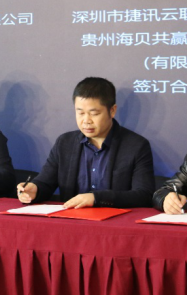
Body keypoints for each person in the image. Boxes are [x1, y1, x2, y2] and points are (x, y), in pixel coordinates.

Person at [17, 77, 155, 209]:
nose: (86, 121)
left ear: (112, 111)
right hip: (71, 219)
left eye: (94, 114)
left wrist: (96, 198)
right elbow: (45, 182)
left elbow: (143, 195)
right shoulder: (65, 143)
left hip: (115, 221)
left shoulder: (136, 146)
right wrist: (34, 189)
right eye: (80, 113)